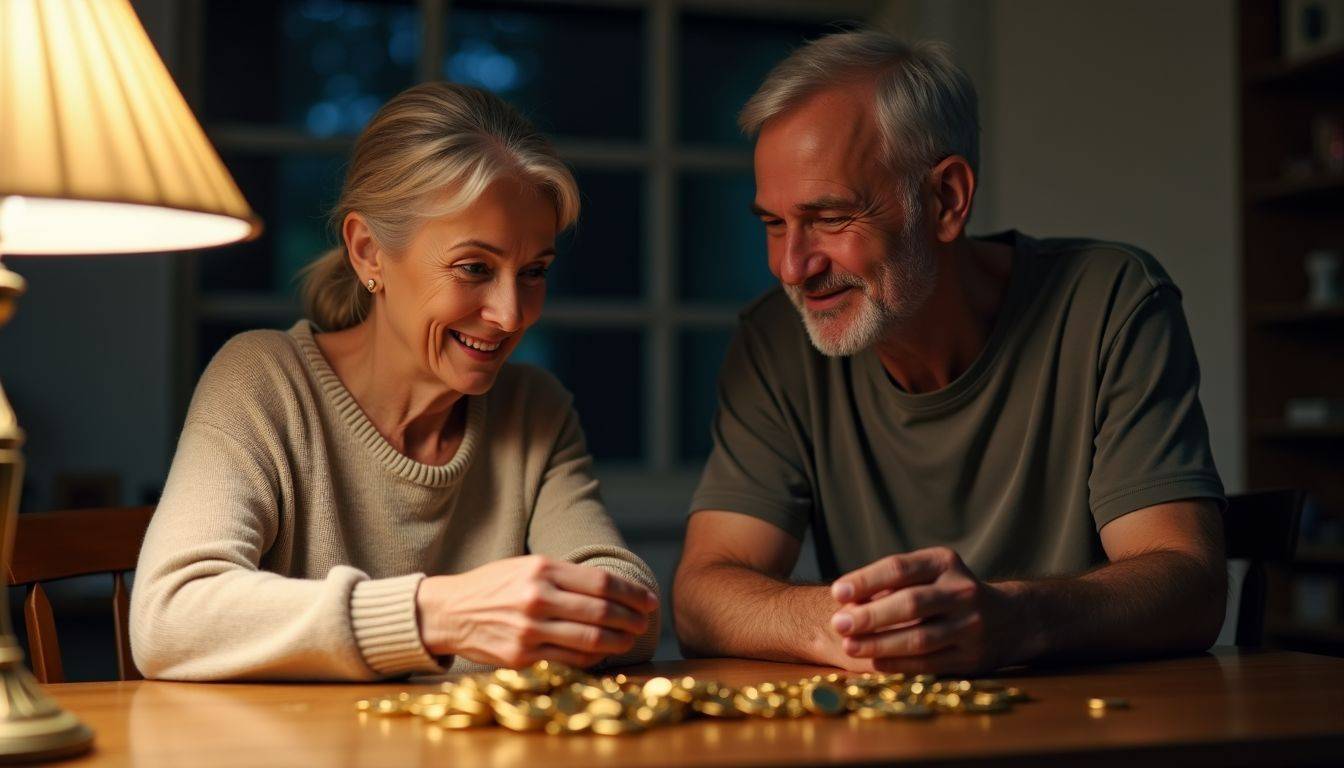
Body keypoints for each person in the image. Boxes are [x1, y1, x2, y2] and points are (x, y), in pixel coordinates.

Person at [673, 30, 1227, 674]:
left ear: (946, 200)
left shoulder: (1112, 302)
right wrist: (841, 624)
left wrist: (1017, 619)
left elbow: (1191, 582)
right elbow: (699, 596)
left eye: (829, 218)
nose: (791, 267)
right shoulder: (774, 341)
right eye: (773, 223)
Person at [131, 83, 659, 681]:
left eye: (534, 271)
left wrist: (551, 616)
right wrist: (442, 616)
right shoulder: (264, 381)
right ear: (368, 253)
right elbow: (169, 619)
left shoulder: (534, 408)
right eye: (474, 268)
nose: (511, 314)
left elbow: (632, 609)